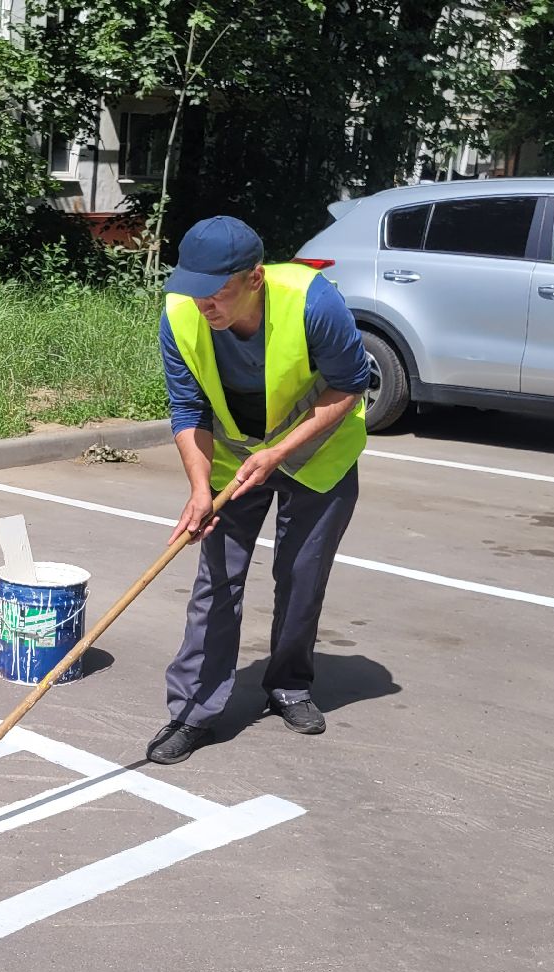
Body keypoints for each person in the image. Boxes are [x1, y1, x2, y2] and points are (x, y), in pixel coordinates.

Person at [144, 216, 371, 765]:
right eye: (192, 289)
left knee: (301, 575)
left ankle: (289, 685)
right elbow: (188, 408)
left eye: (216, 291)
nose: (203, 304)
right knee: (215, 581)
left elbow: (351, 381)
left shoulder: (313, 302)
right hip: (232, 458)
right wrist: (199, 487)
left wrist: (279, 452)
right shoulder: (179, 316)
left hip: (317, 456)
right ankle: (193, 710)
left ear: (254, 279)